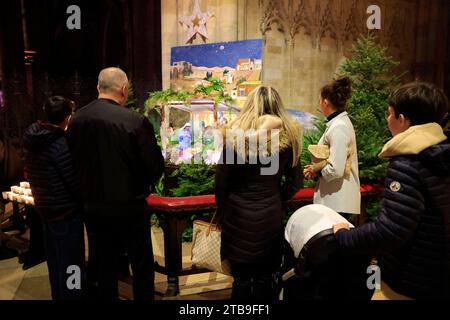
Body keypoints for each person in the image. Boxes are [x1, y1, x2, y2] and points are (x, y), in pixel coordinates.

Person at [333, 82, 450, 300]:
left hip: (409, 278)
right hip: (435, 274)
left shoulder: (408, 162)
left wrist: (344, 236)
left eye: (389, 114)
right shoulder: (439, 154)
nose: (387, 120)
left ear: (402, 120)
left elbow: (391, 230)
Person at [67, 67, 164, 300]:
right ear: (123, 89)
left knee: (104, 264)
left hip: (93, 206)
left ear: (98, 88)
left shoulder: (77, 119)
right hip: (130, 206)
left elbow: (72, 161)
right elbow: (154, 166)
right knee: (141, 264)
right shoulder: (135, 121)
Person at [215, 85, 303, 301]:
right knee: (266, 277)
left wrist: (224, 210)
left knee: (241, 279)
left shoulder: (234, 138)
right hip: (270, 213)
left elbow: (221, 182)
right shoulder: (288, 138)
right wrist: (278, 199)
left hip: (237, 215)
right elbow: (296, 181)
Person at [23, 96, 84, 299]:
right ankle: (72, 295)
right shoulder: (59, 144)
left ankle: (58, 294)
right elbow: (73, 183)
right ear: (67, 117)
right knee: (72, 262)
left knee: (55, 260)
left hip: (46, 211)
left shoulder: (34, 139)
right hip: (66, 213)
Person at [303, 77, 360, 220]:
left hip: (337, 200)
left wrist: (317, 171)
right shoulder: (337, 124)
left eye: (319, 100)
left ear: (325, 102)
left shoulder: (339, 127)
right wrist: (316, 168)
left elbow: (336, 168)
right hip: (335, 199)